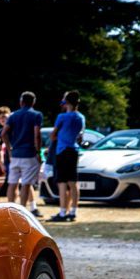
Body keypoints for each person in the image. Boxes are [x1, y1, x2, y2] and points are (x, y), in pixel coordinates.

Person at [1, 91, 43, 217]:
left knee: (12, 183)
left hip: (15, 154)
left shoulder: (13, 116)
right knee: (26, 183)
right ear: (33, 102)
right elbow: (37, 135)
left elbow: (3, 133)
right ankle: (22, 212)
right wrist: (38, 151)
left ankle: (10, 211)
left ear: (21, 101)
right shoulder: (36, 115)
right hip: (29, 154)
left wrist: (9, 150)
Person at [48, 91, 86, 222]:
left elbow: (53, 135)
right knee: (73, 182)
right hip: (74, 150)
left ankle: (63, 212)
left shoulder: (62, 117)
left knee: (62, 183)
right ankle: (73, 211)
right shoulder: (81, 117)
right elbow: (80, 136)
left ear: (67, 102)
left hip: (62, 151)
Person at [0, 106, 11, 182]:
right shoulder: (0, 132)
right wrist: (1, 164)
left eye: (4, 117)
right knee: (12, 183)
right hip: (8, 160)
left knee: (26, 182)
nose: (2, 120)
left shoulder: (16, 128)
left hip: (20, 157)